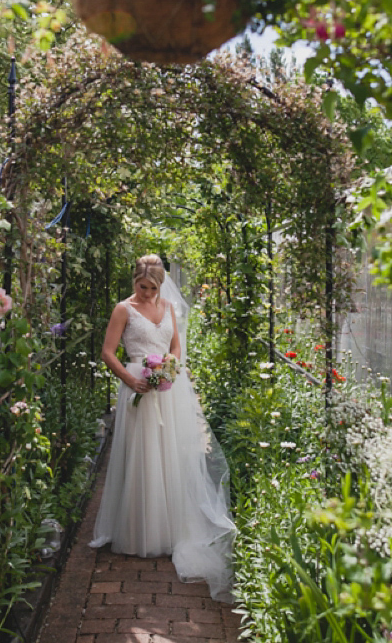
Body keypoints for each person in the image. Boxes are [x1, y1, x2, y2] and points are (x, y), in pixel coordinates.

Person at [89, 254, 236, 603]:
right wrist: (130, 378)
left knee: (170, 456)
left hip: (167, 392)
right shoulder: (123, 309)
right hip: (137, 389)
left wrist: (169, 369)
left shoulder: (168, 306)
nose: (148, 293)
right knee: (141, 458)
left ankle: (171, 528)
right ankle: (138, 531)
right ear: (134, 282)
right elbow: (109, 352)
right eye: (143, 287)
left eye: (153, 288)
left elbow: (175, 347)